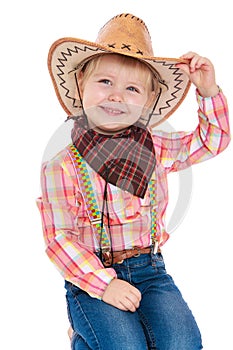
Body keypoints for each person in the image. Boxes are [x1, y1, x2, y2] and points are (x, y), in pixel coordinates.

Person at [37, 13, 230, 350]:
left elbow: (212, 140)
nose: (116, 96)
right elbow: (59, 239)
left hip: (150, 270)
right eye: (105, 82)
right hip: (91, 278)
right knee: (125, 346)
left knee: (183, 343)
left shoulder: (156, 148)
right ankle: (84, 330)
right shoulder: (62, 166)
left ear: (148, 99)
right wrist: (103, 284)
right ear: (82, 83)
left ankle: (86, 337)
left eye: (131, 88)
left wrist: (208, 90)